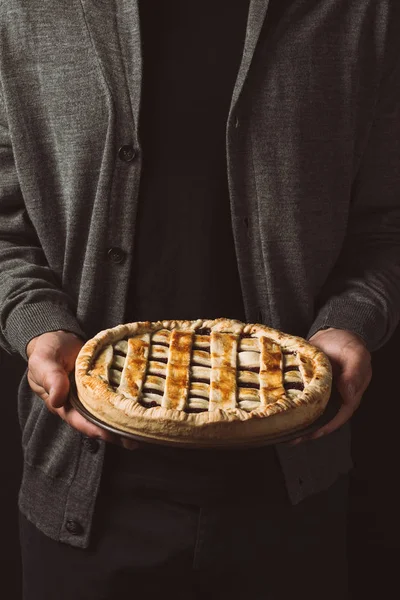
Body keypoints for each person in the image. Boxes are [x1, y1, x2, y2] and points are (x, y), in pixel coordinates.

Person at [0, 1, 399, 598]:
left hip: (291, 494)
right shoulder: (23, 10)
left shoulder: (362, 13)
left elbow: (385, 228)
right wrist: (37, 324)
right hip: (85, 498)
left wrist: (353, 321)